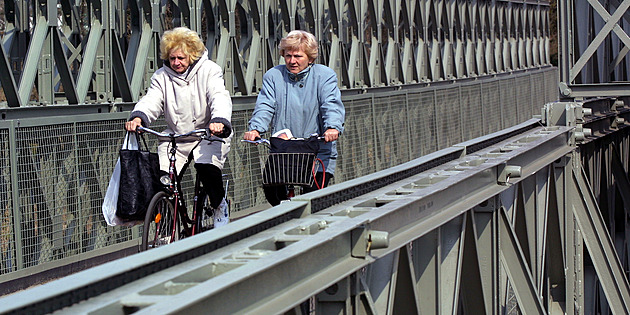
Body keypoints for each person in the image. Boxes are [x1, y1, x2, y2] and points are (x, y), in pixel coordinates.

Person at [124, 27, 232, 227]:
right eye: (172, 58)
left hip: (207, 133)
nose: (176, 63)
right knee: (164, 181)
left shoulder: (209, 70)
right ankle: (165, 229)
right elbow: (152, 100)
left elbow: (219, 96)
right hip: (176, 137)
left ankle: (219, 205)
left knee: (207, 168)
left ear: (191, 55)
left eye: (181, 58)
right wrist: (139, 117)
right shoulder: (161, 76)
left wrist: (219, 120)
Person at [243, 30, 345, 205]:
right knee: (273, 192)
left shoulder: (325, 76)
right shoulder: (274, 76)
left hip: (316, 149)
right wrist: (256, 128)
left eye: (298, 56)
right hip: (284, 149)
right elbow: (265, 105)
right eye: (288, 55)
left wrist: (332, 127)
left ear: (310, 58)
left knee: (313, 199)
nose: (292, 61)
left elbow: (331, 103)